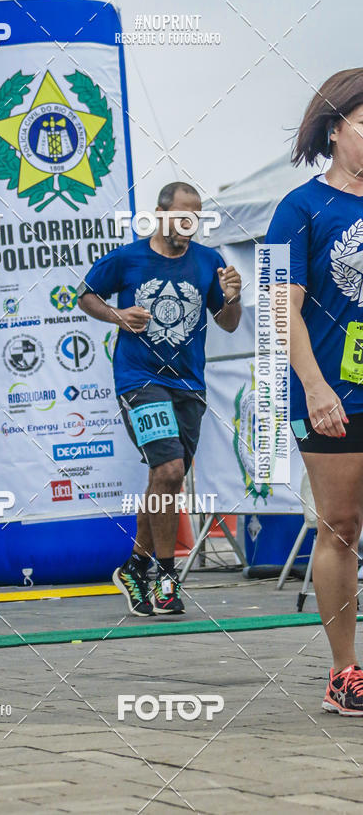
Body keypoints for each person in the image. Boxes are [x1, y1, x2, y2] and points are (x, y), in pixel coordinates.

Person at [77, 182, 242, 616]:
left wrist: (232, 298)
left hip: (189, 385)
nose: (187, 226)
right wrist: (116, 314)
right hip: (139, 378)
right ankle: (166, 578)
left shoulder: (209, 261)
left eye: (195, 218)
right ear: (160, 214)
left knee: (166, 479)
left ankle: (134, 566)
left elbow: (226, 323)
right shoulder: (129, 258)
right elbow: (85, 294)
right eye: (181, 216)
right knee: (168, 468)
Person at [266, 68, 363, 716]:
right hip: (333, 393)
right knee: (342, 528)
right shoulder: (298, 209)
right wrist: (314, 385)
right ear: (337, 129)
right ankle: (343, 671)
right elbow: (281, 306)